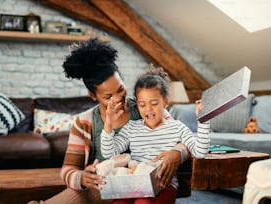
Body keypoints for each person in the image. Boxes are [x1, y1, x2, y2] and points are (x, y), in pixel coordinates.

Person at [28, 39, 189, 204]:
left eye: (120, 89)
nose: (118, 98)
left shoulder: (144, 106)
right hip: (104, 187)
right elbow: (68, 170)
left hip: (146, 184)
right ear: (93, 96)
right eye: (108, 96)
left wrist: (177, 153)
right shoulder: (84, 122)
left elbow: (181, 137)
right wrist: (82, 178)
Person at [100, 65, 210, 204]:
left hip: (164, 186)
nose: (148, 109)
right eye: (142, 104)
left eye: (154, 103)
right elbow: (109, 153)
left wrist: (203, 122)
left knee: (143, 202)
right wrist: (108, 123)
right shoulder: (131, 128)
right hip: (134, 186)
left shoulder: (177, 127)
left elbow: (200, 152)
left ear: (165, 102)